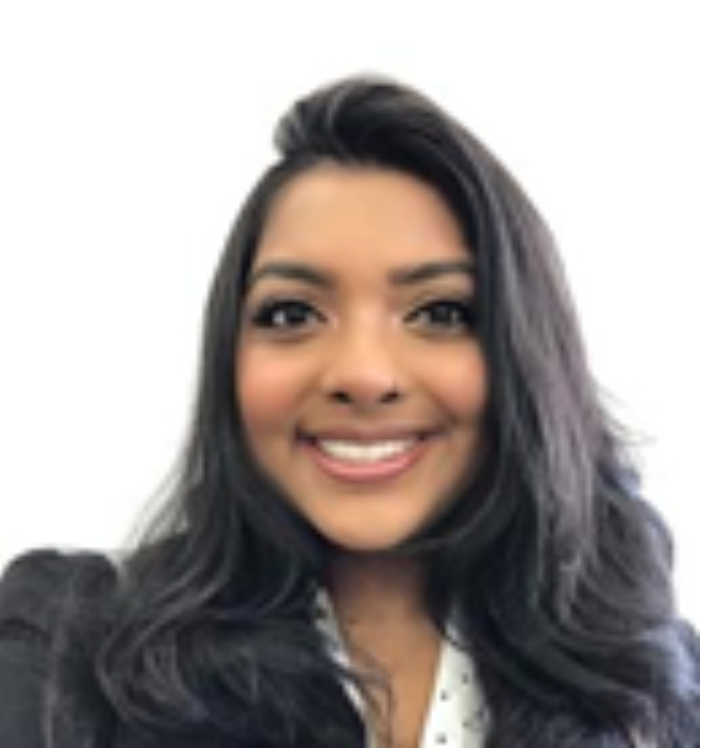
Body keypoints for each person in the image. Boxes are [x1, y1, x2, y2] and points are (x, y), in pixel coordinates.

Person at [0, 75, 698, 748]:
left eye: (441, 312)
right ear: (229, 356)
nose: (363, 376)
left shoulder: (650, 685)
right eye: (293, 313)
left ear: (523, 355)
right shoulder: (63, 651)